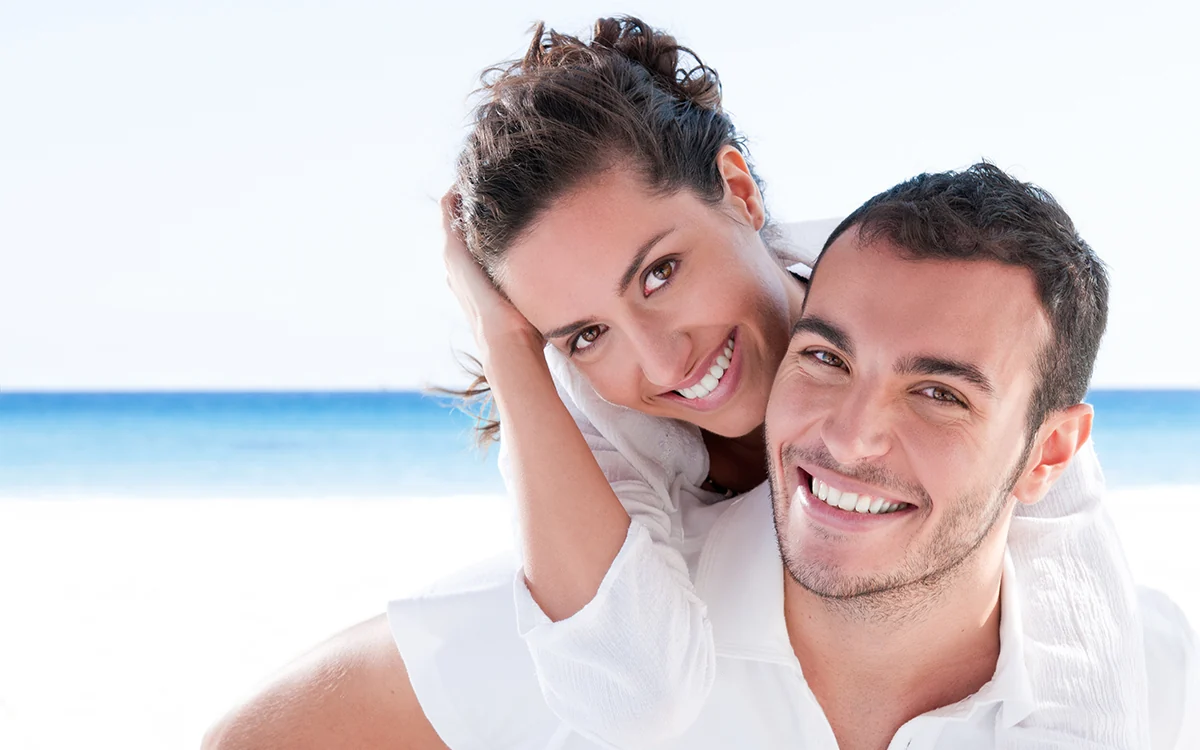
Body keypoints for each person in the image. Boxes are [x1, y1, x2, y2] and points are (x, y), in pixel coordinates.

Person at [202, 19, 1152, 749]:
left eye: (660, 272)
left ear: (739, 191)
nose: (659, 365)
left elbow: (1074, 588)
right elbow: (631, 693)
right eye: (583, 331)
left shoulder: (901, 299)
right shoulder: (591, 409)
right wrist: (508, 343)